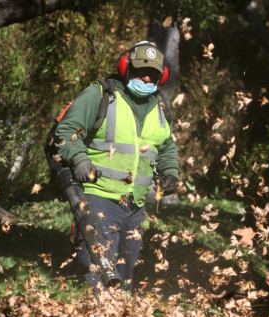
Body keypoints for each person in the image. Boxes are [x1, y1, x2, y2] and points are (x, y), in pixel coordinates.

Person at [54, 41, 180, 291]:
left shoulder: (161, 105)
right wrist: (80, 159)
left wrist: (170, 172)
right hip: (98, 196)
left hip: (135, 204)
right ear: (125, 68)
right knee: (98, 268)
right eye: (141, 70)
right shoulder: (101, 95)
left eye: (153, 73)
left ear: (161, 76)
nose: (146, 77)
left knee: (124, 273)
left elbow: (166, 146)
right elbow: (67, 130)